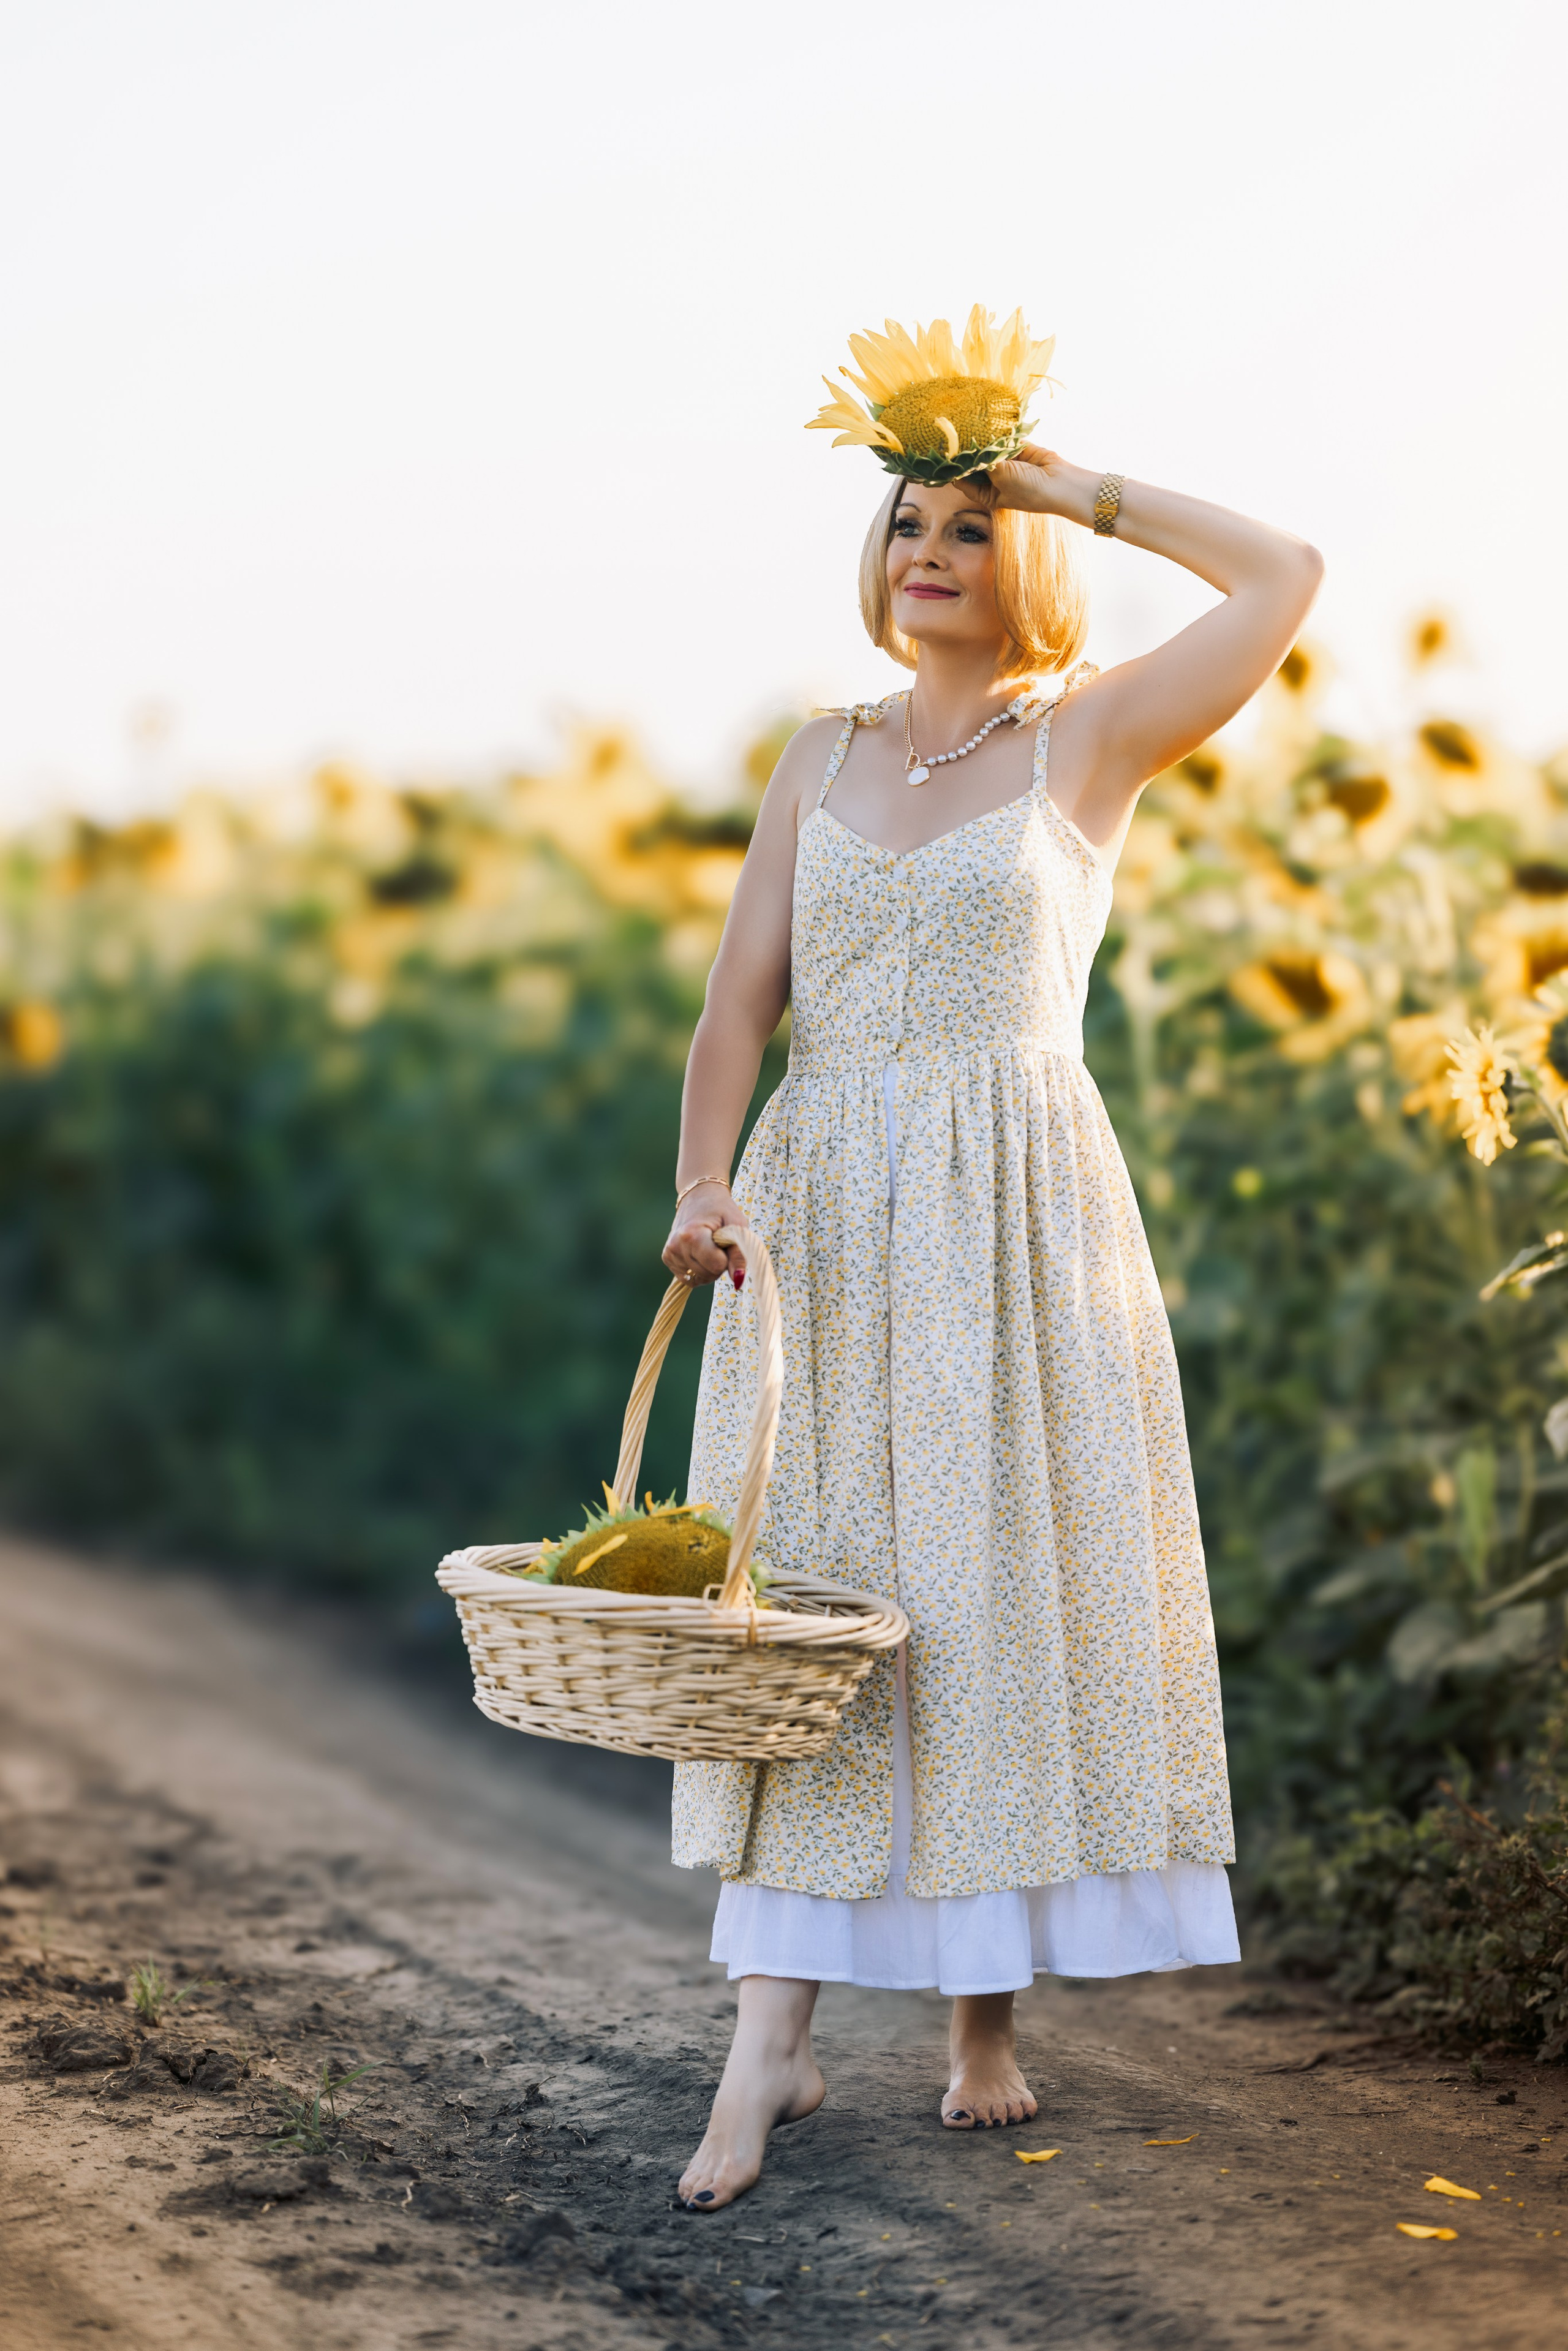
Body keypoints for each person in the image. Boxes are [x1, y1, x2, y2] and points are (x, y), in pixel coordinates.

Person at [659, 310, 1323, 2211]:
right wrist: (703, 1185)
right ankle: (765, 2045)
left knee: (997, 1589)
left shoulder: (1094, 732)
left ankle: (981, 2022)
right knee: (808, 1612)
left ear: (1018, 547)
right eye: (905, 526)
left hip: (1022, 1210)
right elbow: (736, 1012)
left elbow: (1286, 574)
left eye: (965, 524)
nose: (929, 552)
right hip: (827, 1217)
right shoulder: (821, 753)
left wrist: (1074, 487)